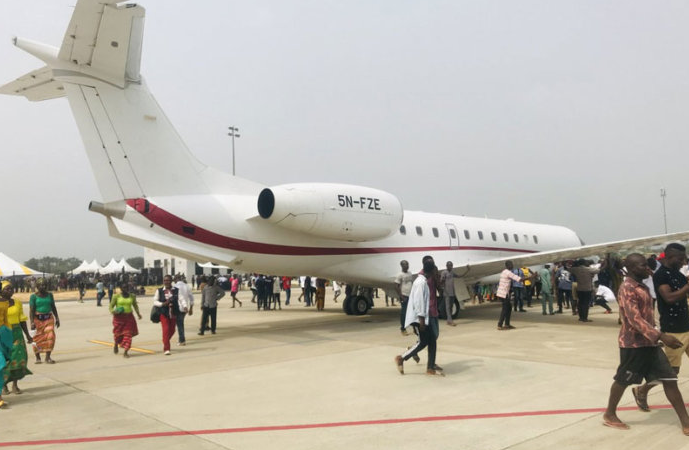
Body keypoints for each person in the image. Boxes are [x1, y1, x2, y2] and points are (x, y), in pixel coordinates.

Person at [602, 253, 689, 434]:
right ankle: (610, 414)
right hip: (633, 345)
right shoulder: (627, 288)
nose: (647, 267)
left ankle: (686, 423)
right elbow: (634, 319)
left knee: (670, 379)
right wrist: (661, 336)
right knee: (623, 380)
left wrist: (656, 336)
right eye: (643, 265)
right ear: (633, 268)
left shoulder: (643, 285)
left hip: (650, 343)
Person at [632, 243, 689, 410]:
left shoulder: (678, 274)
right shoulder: (661, 275)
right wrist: (687, 287)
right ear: (670, 257)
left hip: (686, 325)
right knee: (672, 373)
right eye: (680, 258)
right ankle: (642, 390)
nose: (683, 261)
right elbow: (669, 297)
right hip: (673, 329)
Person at [394, 256, 443, 376]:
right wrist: (421, 320)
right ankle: (427, 366)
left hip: (430, 312)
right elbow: (420, 301)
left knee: (429, 340)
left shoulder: (426, 278)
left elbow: (439, 290)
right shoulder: (421, 282)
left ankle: (428, 365)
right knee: (428, 341)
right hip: (425, 315)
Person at [1, 281, 32, 397]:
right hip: (4, 333)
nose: (10, 291)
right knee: (5, 361)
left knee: (19, 359)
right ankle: (4, 385)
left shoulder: (17, 303)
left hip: (17, 333)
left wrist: (28, 335)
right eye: (7, 289)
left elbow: (22, 320)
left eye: (11, 289)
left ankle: (15, 384)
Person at [29, 278, 60, 364]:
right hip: (37, 319)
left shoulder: (50, 295)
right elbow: (31, 310)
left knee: (50, 336)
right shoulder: (33, 296)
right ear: (37, 286)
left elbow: (53, 306)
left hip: (49, 318)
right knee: (37, 338)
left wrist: (57, 318)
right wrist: (32, 322)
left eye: (45, 285)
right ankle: (38, 357)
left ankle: (48, 357)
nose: (43, 287)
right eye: (41, 285)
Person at [109, 281, 142, 358]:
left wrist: (138, 314)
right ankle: (116, 344)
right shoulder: (116, 296)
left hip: (129, 318)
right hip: (118, 318)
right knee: (117, 334)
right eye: (124, 287)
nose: (125, 289)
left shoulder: (132, 296)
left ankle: (126, 351)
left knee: (128, 334)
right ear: (120, 289)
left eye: (127, 287)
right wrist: (113, 312)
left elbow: (135, 305)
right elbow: (111, 306)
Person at [153, 275, 179, 355]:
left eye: (168, 280)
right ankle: (166, 348)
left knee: (172, 330)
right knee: (166, 329)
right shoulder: (159, 290)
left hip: (173, 312)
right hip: (163, 313)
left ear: (171, 281)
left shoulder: (176, 290)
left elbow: (180, 299)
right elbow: (155, 301)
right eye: (165, 280)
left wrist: (184, 307)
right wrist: (163, 304)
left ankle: (165, 340)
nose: (166, 282)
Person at [497, 261, 524, 330]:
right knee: (505, 309)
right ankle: (500, 325)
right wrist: (531, 277)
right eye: (511, 265)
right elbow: (519, 279)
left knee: (509, 307)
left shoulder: (504, 271)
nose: (512, 266)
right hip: (503, 293)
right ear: (507, 266)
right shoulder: (508, 273)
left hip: (502, 292)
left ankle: (507, 324)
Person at [395, 260, 413, 336]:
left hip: (411, 295)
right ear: (401, 266)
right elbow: (396, 286)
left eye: (407, 264)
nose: (407, 266)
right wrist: (401, 296)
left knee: (412, 312)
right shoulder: (400, 275)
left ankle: (414, 327)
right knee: (404, 313)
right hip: (404, 296)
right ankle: (403, 329)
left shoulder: (410, 273)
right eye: (405, 265)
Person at [174, 275, 194, 346]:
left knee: (179, 324)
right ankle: (180, 338)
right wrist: (191, 308)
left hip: (177, 308)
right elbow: (191, 297)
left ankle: (182, 340)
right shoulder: (187, 286)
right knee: (180, 323)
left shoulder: (175, 286)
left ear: (176, 279)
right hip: (185, 308)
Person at [439, 261, 460, 326]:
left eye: (451, 265)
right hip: (447, 293)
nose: (450, 267)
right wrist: (442, 281)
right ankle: (450, 321)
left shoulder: (452, 272)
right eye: (449, 265)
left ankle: (449, 320)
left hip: (452, 292)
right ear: (446, 266)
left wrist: (467, 271)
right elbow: (441, 282)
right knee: (448, 307)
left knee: (451, 307)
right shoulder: (444, 272)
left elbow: (459, 276)